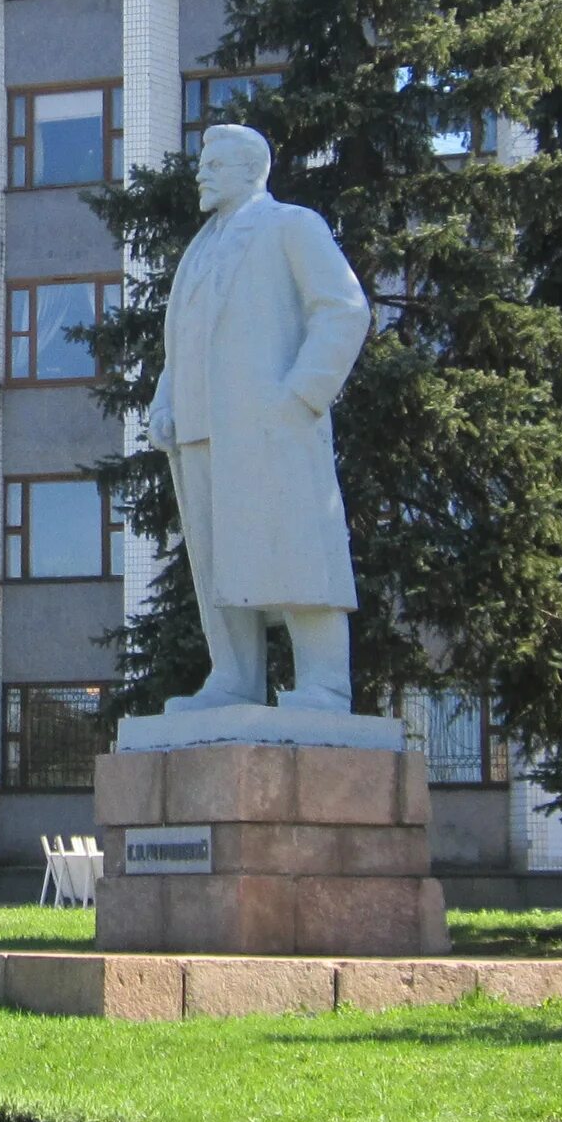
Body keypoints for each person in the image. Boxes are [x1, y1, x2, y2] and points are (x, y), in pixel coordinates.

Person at [148, 122, 373, 714]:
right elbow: (185, 340)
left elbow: (344, 309)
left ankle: (324, 684)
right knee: (217, 560)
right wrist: (165, 399)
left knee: (298, 548)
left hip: (271, 423)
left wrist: (300, 394)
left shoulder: (290, 226)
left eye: (214, 164)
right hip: (200, 430)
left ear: (252, 170)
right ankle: (234, 678)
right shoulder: (199, 248)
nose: (201, 172)